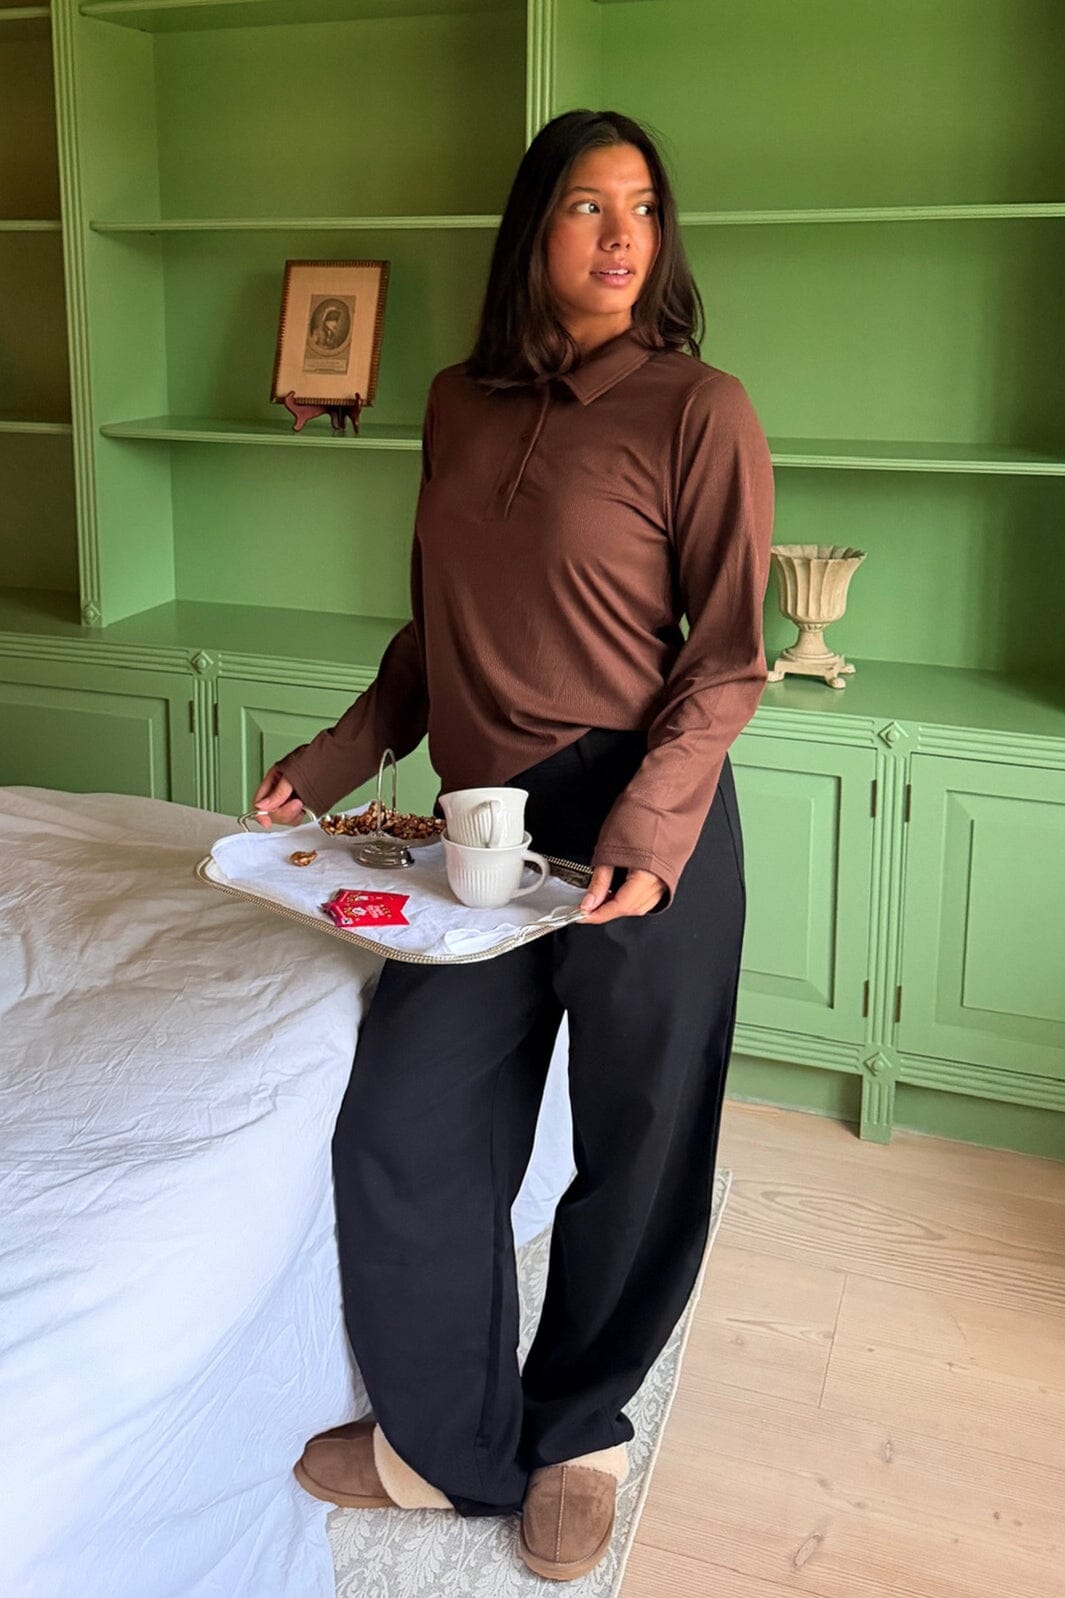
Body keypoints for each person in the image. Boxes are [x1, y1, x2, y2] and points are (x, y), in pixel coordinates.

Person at [252, 107, 775, 1582]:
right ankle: (450, 1440)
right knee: (403, 1124)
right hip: (483, 827)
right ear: (533, 228)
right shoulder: (455, 401)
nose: (621, 236)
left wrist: (651, 827)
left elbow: (727, 655)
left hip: (640, 815)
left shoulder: (698, 407)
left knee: (640, 1142)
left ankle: (580, 1427)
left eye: (643, 208)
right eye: (587, 206)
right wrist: (334, 758)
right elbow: (437, 632)